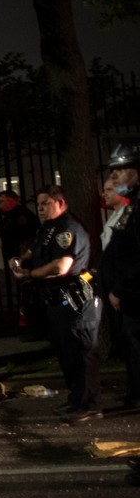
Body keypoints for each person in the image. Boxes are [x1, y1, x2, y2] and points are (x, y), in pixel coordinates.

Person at [10, 185, 102, 422]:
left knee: (81, 352)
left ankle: (88, 404)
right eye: (38, 205)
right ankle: (76, 400)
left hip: (75, 300)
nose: (40, 209)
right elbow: (33, 251)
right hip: (57, 301)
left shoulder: (67, 228)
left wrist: (29, 275)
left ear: (60, 202)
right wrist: (20, 260)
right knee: (67, 353)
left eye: (46, 203)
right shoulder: (48, 229)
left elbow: (61, 266)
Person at [102, 142, 140, 412]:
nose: (114, 177)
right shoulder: (133, 206)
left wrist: (121, 288)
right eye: (112, 172)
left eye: (121, 170)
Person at [0, 189, 41, 335]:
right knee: (25, 291)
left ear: (11, 200)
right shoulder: (11, 216)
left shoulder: (20, 215)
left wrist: (19, 259)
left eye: (1, 201)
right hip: (19, 259)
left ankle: (32, 325)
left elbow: (26, 239)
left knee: (28, 291)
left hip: (24, 260)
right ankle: (29, 324)